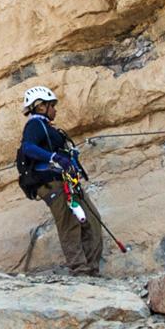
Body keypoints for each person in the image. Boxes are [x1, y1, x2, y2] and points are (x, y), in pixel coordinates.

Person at [16, 86, 107, 274]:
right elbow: (28, 148)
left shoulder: (47, 127)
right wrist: (54, 158)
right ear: (41, 107)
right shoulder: (35, 125)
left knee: (92, 219)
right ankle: (80, 270)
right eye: (52, 105)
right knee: (69, 224)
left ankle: (91, 268)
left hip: (65, 182)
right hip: (52, 183)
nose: (55, 110)